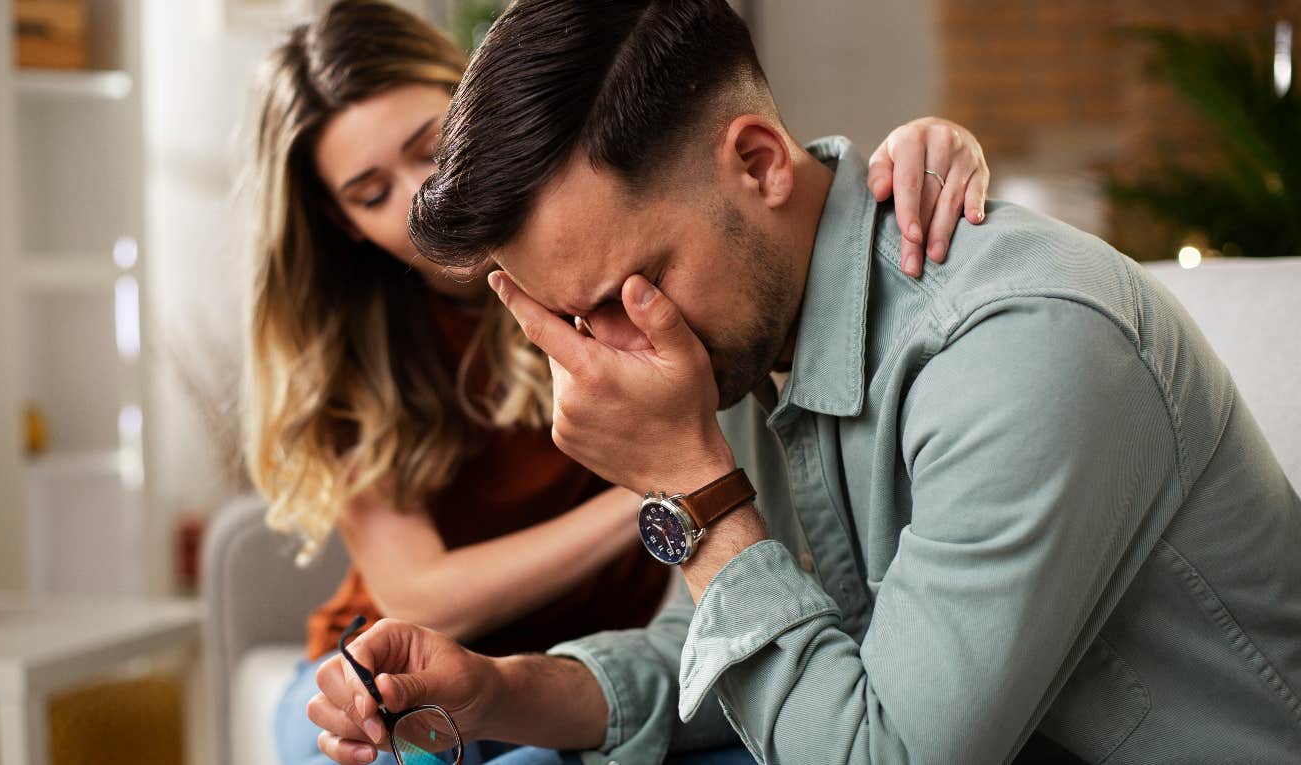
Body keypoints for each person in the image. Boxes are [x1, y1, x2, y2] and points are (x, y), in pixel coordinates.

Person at [307, 1, 1301, 764]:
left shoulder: (1019, 347)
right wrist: (500, 688)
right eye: (575, 320)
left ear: (757, 161)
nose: (611, 353)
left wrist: (696, 492)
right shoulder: (742, 334)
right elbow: (707, 649)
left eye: (624, 291)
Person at [241, 2, 994, 763]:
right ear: (337, 221)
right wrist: (674, 486)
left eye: (432, 147)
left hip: (626, 647)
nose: (414, 199)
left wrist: (919, 152)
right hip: (441, 653)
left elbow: (789, 204)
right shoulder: (354, 354)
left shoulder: (629, 249)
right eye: (369, 194)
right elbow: (420, 594)